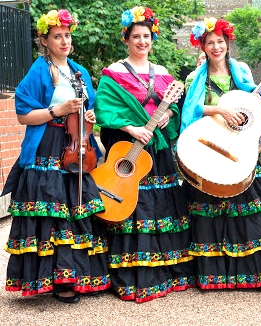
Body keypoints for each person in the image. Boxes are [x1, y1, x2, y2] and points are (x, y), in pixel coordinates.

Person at [1, 9, 110, 304]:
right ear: (45, 41)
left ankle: (78, 276)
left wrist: (89, 114)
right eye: (57, 37)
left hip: (76, 145)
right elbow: (24, 116)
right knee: (52, 210)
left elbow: (92, 106)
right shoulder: (39, 71)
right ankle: (56, 280)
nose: (64, 41)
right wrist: (57, 111)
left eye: (67, 35)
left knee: (77, 207)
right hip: (48, 145)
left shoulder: (79, 71)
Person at [94, 6, 195, 303]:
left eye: (146, 36)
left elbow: (175, 108)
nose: (142, 41)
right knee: (135, 205)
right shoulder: (113, 73)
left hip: (157, 148)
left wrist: (167, 116)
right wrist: (132, 128)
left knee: (162, 204)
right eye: (136, 36)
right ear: (126, 38)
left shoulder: (163, 73)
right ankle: (134, 276)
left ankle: (166, 271)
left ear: (153, 39)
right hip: (130, 145)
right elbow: (106, 109)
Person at [180, 17, 261, 290]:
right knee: (209, 212)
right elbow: (189, 111)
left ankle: (256, 276)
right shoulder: (195, 77)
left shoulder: (242, 70)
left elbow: (256, 105)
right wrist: (218, 109)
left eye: (220, 41)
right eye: (210, 42)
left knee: (249, 211)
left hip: (240, 146)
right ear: (202, 47)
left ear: (227, 43)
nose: (216, 47)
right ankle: (212, 276)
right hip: (209, 146)